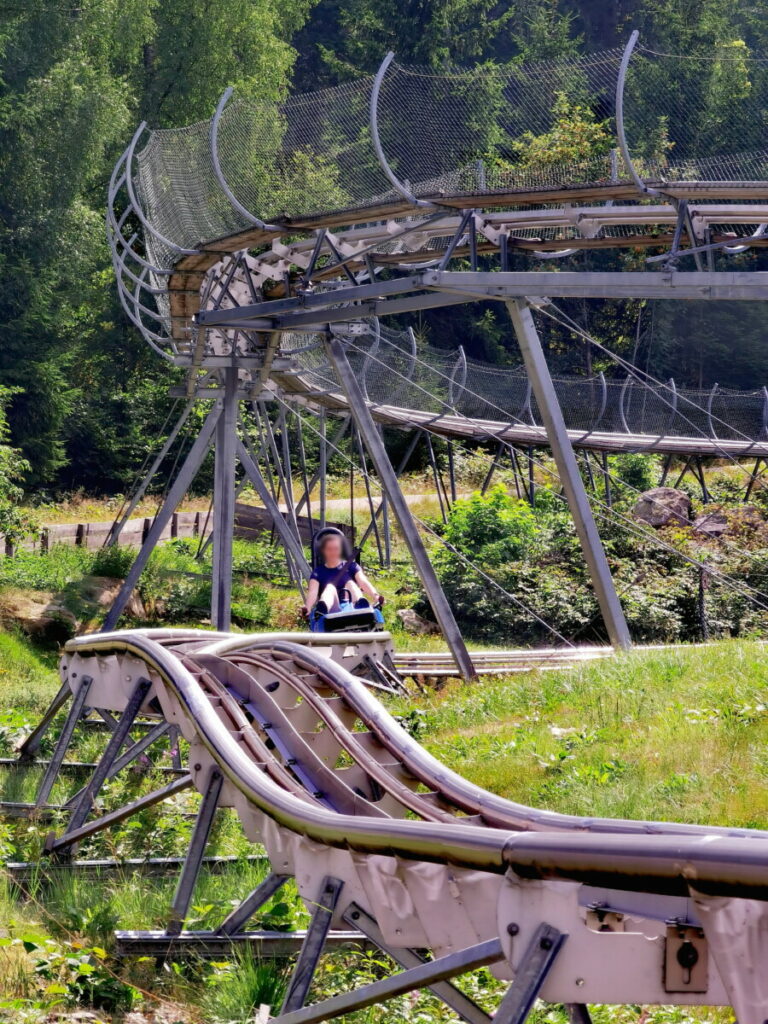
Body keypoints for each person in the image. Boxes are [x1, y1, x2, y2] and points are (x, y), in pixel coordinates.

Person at [300, 531, 383, 620]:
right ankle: (322, 610)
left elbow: (363, 582)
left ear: (341, 550)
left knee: (350, 583)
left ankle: (360, 605)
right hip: (332, 610)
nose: (333, 552)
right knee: (330, 587)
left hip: (351, 606)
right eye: (329, 549)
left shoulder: (352, 566)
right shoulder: (318, 572)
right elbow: (313, 592)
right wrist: (308, 607)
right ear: (323, 551)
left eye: (336, 549)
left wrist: (376, 596)